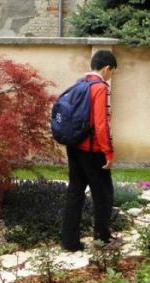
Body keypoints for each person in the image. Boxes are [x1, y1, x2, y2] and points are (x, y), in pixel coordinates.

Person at [61, 50, 117, 252]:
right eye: (112, 72)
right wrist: (108, 153)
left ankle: (70, 242)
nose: (110, 77)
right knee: (103, 194)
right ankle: (102, 240)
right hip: (93, 151)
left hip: (74, 146)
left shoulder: (79, 82)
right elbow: (101, 125)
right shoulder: (100, 87)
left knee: (75, 192)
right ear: (106, 68)